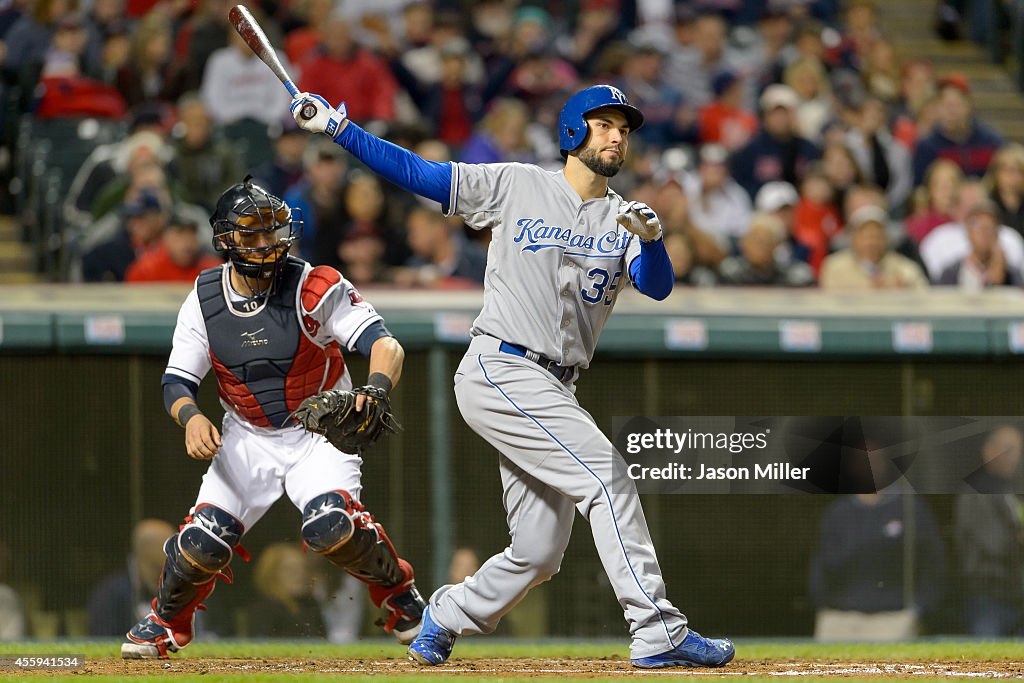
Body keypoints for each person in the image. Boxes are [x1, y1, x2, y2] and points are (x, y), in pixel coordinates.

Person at [289, 83, 735, 669]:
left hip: (554, 384)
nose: (617, 135)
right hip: (502, 364)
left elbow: (657, 285)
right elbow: (423, 176)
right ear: (574, 132)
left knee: (537, 553)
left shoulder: (623, 219)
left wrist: (652, 242)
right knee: (605, 478)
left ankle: (444, 616)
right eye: (604, 124)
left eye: (623, 128)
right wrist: (340, 131)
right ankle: (656, 628)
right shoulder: (520, 184)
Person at [120, 176, 426, 659]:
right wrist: (191, 418)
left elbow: (385, 344)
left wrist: (375, 388)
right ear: (225, 240)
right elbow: (177, 381)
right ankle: (167, 622)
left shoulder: (313, 284)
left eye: (273, 231)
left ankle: (399, 595)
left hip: (318, 430)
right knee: (201, 543)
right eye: (251, 234)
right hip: (246, 433)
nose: (266, 244)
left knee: (331, 527)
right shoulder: (203, 298)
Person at [954, 425, 1024, 636]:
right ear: (989, 450)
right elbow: (996, 544)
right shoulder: (976, 491)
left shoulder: (1007, 490)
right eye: (1008, 449)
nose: (1013, 457)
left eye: (1017, 450)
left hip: (1015, 596)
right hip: (987, 598)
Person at [88, 519, 176, 636]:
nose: (177, 551)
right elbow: (100, 642)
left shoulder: (177, 587)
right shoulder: (110, 593)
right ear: (147, 550)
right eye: (170, 545)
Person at [248, 543, 327, 638]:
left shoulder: (310, 605)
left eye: (304, 569)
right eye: (290, 570)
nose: (300, 575)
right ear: (272, 574)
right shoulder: (264, 610)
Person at [124, 215, 223, 283]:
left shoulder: (215, 271)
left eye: (192, 234)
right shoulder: (143, 271)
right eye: (180, 234)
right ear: (165, 238)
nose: (187, 243)